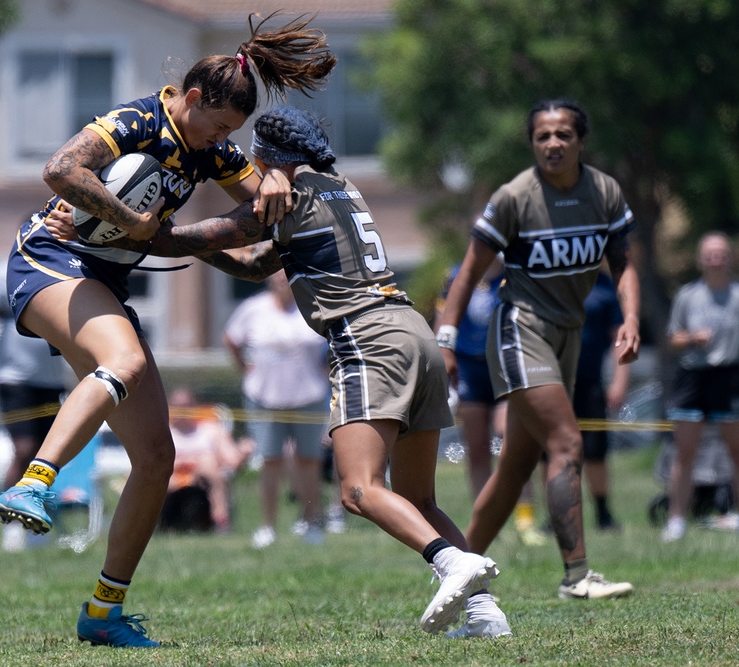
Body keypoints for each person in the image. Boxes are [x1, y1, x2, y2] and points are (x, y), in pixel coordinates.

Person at [0, 14, 336, 648]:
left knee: (155, 458)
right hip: (48, 261)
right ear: (194, 99)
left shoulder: (210, 149)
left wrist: (281, 177)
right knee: (126, 362)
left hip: (105, 280)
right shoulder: (137, 122)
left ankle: (103, 614)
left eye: (233, 135)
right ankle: (34, 484)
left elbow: (260, 209)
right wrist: (133, 221)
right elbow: (61, 171)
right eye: (220, 126)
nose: (221, 141)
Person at [110, 106, 509, 638]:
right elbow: (254, 265)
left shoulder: (287, 194)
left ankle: (450, 562)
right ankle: (485, 612)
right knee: (418, 499)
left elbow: (213, 234)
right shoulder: (339, 185)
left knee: (359, 490)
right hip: (413, 329)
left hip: (366, 337)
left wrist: (137, 228)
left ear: (268, 158)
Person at [438, 99, 640, 600]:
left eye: (563, 135)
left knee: (514, 470)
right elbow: (467, 272)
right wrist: (444, 339)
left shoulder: (605, 192)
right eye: (543, 136)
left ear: (580, 141)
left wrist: (632, 317)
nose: (553, 143)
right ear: (532, 144)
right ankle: (576, 576)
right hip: (519, 330)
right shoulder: (514, 197)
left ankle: (453, 575)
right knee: (567, 443)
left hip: (567, 336)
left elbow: (624, 264)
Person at [435, 258, 548, 547]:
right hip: (468, 368)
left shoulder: (516, 273)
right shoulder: (457, 275)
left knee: (510, 440)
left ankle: (525, 520)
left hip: (504, 365)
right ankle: (485, 520)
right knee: (477, 451)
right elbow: (443, 318)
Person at [0, 260, 69, 552]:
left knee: (48, 456)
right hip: (14, 380)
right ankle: (11, 522)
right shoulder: (0, 276)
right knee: (23, 450)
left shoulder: (64, 269)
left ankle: (36, 520)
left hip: (52, 382)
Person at [224, 270, 331, 548]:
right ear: (270, 280)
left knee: (309, 460)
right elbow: (231, 338)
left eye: (288, 278)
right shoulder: (253, 309)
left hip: (309, 395)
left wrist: (325, 371)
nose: (283, 282)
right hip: (264, 397)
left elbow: (332, 343)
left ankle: (310, 523)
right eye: (279, 278)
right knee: (270, 460)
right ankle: (267, 527)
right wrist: (246, 370)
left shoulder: (312, 306)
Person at [661, 232, 739, 542]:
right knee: (685, 452)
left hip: (729, 376)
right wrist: (693, 338)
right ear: (700, 259)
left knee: (736, 451)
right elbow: (673, 339)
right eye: (709, 254)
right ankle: (676, 518)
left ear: (729, 257)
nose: (715, 260)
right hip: (693, 376)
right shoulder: (688, 296)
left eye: (720, 254)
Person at [575, 269, 630, 532]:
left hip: (592, 383)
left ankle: (602, 512)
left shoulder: (605, 286)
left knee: (596, 451)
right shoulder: (553, 277)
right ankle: (556, 515)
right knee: (550, 453)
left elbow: (620, 337)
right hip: (553, 382)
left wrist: (619, 380)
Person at [163, 386, 253, 533]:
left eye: (186, 406)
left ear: (194, 407)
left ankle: (221, 519)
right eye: (178, 407)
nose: (182, 411)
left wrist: (243, 452)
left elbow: (232, 460)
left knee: (208, 462)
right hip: (171, 477)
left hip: (205, 476)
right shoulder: (164, 433)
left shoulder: (210, 430)